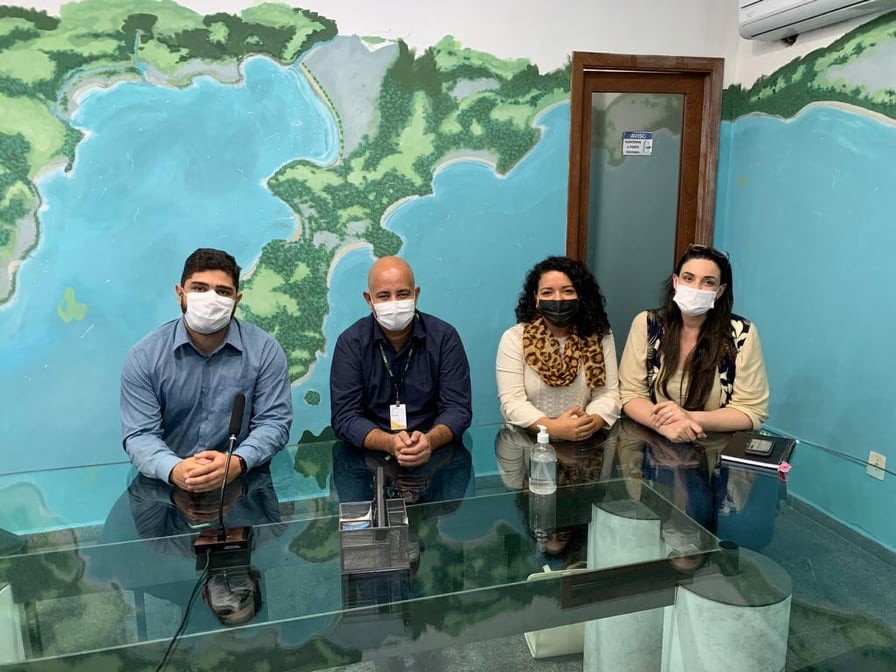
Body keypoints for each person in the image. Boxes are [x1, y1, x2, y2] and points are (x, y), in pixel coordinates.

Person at [120, 248, 293, 491]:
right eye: (199, 288)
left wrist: (236, 461)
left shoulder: (265, 351)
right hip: (164, 488)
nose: (211, 300)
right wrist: (175, 469)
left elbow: (273, 423)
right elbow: (140, 434)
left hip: (243, 485)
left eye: (223, 292)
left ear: (236, 300)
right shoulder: (145, 356)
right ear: (180, 293)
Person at [329, 256, 472, 468]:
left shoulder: (444, 338)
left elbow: (458, 409)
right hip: (369, 458)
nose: (394, 303)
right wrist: (389, 442)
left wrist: (429, 441)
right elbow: (345, 416)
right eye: (384, 296)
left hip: (436, 453)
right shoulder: (351, 343)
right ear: (369, 300)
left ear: (416, 295)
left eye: (403, 294)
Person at [618, 244, 769, 443]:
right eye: (688, 278)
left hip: (714, 447)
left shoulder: (742, 333)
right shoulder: (647, 324)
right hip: (653, 443)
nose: (696, 288)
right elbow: (631, 394)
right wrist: (665, 426)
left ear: (720, 291)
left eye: (708, 282)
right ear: (676, 281)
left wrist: (688, 417)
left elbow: (750, 410)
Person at [496, 256, 621, 442]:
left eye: (568, 291)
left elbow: (608, 394)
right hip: (526, 442)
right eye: (547, 293)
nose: (558, 299)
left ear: (581, 296)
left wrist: (589, 423)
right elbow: (512, 402)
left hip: (587, 439)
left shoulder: (600, 336)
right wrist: (553, 428)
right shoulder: (514, 338)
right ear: (536, 298)